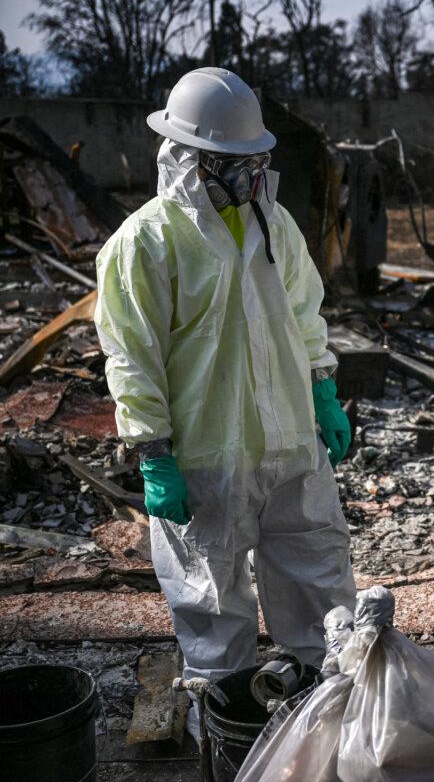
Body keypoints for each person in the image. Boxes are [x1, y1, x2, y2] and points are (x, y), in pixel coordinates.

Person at [94, 68, 357, 737]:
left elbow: (304, 315)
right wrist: (153, 452)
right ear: (187, 158)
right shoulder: (146, 243)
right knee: (212, 607)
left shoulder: (276, 224)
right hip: (201, 458)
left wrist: (322, 388)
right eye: (231, 164)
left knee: (320, 587)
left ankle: (332, 727)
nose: (248, 176)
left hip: (291, 444)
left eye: (254, 162)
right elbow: (132, 357)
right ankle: (231, 734)